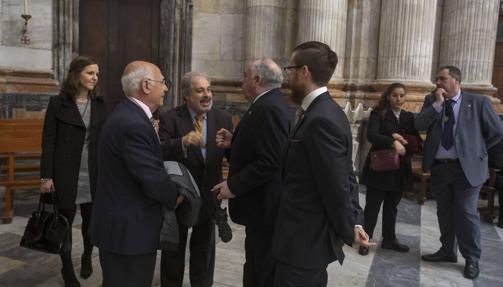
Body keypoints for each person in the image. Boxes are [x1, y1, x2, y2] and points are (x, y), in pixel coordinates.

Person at [272, 41, 374, 287]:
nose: (289, 77)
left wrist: (350, 225)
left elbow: (337, 182)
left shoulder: (321, 118)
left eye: (291, 70)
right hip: (301, 240)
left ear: (304, 71)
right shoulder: (324, 111)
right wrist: (355, 220)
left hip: (304, 242)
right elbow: (344, 173)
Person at [89, 61, 183, 287]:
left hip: (121, 227)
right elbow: (150, 177)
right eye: (163, 82)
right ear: (146, 85)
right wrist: (175, 196)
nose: (167, 88)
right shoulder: (134, 124)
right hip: (129, 233)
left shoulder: (127, 114)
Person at [211, 58, 294, 286]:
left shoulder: (269, 109)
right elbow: (260, 149)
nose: (241, 81)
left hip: (266, 209)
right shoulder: (269, 104)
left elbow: (271, 161)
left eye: (245, 76)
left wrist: (233, 186)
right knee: (256, 267)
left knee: (261, 272)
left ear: (257, 80)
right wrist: (234, 142)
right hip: (263, 211)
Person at [416, 66, 503, 279]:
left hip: (467, 169)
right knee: (444, 211)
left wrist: (478, 151)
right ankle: (447, 251)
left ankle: (472, 258)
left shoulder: (478, 102)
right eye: (437, 79)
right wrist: (437, 104)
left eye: (442, 78)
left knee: (465, 212)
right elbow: (419, 124)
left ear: (456, 80)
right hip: (440, 167)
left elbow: (497, 132)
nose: (437, 82)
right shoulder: (432, 101)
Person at [158, 72, 233, 287]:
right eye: (200, 90)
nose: (207, 95)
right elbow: (159, 152)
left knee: (204, 250)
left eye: (209, 89)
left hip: (210, 195)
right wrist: (181, 141)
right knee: (174, 249)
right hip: (181, 197)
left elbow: (232, 156)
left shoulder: (223, 118)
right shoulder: (170, 118)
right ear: (186, 95)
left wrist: (232, 145)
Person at [40, 56, 107, 287]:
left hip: (93, 174)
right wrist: (46, 176)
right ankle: (67, 268)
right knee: (63, 224)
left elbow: (107, 139)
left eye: (97, 74)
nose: (95, 78)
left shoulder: (100, 105)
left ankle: (87, 256)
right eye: (90, 73)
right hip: (65, 174)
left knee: (90, 224)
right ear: (76, 74)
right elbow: (48, 141)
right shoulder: (58, 104)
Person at [359, 83, 422, 256]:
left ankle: (389, 239)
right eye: (395, 95)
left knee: (392, 207)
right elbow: (372, 135)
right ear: (388, 96)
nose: (398, 99)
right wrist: (391, 140)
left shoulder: (408, 116)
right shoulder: (378, 113)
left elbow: (416, 140)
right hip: (380, 167)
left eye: (402, 95)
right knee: (372, 207)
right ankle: (365, 238)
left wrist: (405, 140)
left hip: (399, 169)